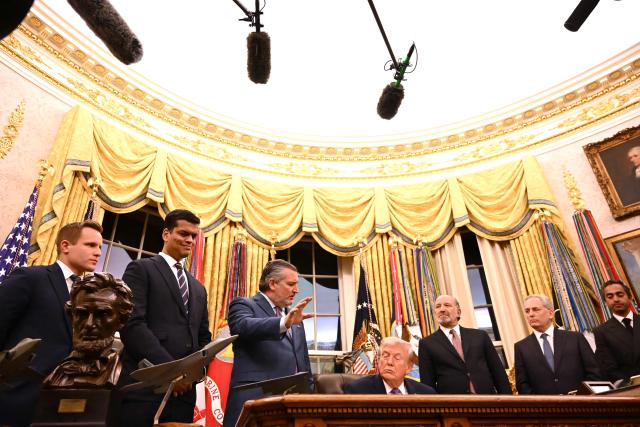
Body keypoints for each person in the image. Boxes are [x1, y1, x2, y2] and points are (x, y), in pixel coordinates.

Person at [0, 220, 103, 426]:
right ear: (65, 246)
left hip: (61, 406)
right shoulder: (30, 278)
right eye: (91, 245)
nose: (98, 253)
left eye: (100, 247)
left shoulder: (90, 295)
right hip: (16, 400)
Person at [118, 209, 211, 427]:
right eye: (183, 233)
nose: (189, 240)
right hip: (145, 389)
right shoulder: (140, 269)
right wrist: (172, 372)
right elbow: (132, 325)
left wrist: (190, 376)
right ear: (166, 234)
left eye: (193, 236)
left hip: (183, 397)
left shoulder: (198, 288)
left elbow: (203, 337)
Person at [223, 259, 313, 427]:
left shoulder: (294, 316)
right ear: (272, 283)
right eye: (291, 284)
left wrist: (310, 394)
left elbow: (302, 361)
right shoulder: (244, 304)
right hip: (255, 400)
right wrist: (283, 323)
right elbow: (243, 326)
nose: (296, 290)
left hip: (291, 405)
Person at [44, 272, 133, 388]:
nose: (89, 324)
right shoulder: (54, 373)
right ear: (72, 316)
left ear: (121, 320)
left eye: (102, 314)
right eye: (82, 314)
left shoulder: (125, 376)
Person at [418, 294, 511, 394]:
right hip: (452, 406)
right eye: (438, 306)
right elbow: (427, 385)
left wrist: (509, 403)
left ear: (458, 312)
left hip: (487, 400)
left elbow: (498, 373)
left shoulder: (480, 336)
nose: (442, 309)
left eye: (447, 305)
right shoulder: (426, 344)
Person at [514, 294, 601, 394]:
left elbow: (594, 372)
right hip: (545, 408)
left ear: (550, 313)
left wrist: (582, 396)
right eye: (527, 311)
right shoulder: (521, 347)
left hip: (581, 404)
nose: (531, 314)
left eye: (535, 309)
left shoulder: (575, 338)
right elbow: (522, 385)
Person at [344, 336, 435, 395]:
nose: (390, 362)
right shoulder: (357, 390)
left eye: (397, 358)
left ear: (409, 367)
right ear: (378, 360)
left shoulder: (426, 393)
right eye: (385, 356)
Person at [592, 280, 640, 383]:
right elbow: (610, 368)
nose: (616, 299)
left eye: (620, 294)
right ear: (605, 302)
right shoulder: (601, 332)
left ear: (630, 297)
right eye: (610, 297)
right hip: (630, 389)